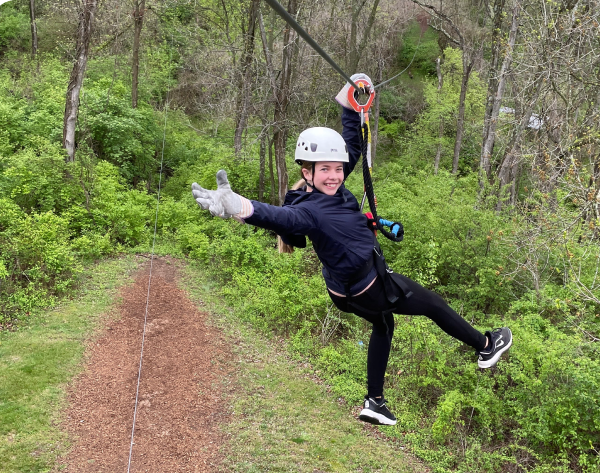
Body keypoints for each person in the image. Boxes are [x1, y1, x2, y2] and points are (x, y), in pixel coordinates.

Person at [191, 73, 512, 426]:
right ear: (306, 171)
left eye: (337, 169)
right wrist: (238, 206)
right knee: (432, 304)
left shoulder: (328, 189)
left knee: (384, 325)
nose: (334, 175)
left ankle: (375, 402)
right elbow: (277, 217)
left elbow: (352, 146)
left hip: (345, 292)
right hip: (369, 287)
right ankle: (485, 345)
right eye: (324, 169)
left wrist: (350, 102)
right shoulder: (306, 212)